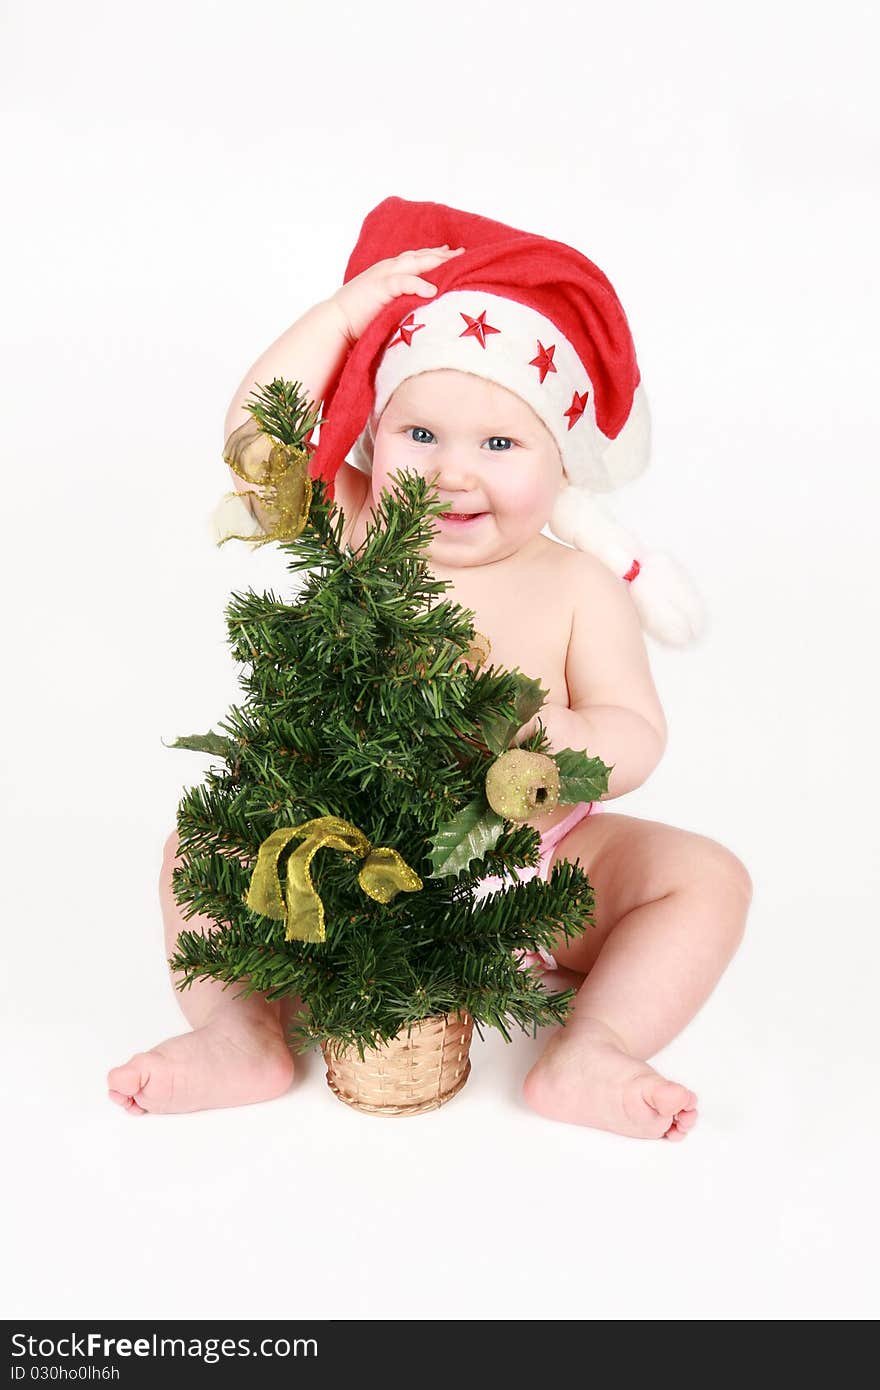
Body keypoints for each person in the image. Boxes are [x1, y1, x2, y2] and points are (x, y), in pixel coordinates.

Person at [108, 197, 752, 1139]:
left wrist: (573, 743)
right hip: (337, 852)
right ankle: (239, 1027)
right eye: (421, 436)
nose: (454, 473)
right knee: (198, 851)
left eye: (500, 444)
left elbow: (636, 729)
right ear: (377, 438)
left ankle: (595, 1046)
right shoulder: (366, 526)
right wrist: (339, 321)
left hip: (531, 868)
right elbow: (262, 437)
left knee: (707, 879)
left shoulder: (578, 586)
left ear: (560, 461)